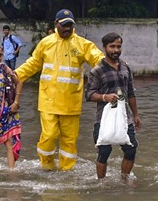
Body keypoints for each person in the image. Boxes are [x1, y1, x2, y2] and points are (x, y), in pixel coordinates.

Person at [15, 9, 104, 171]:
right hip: (48, 100)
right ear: (56, 24)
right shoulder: (46, 43)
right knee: (49, 136)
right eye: (64, 25)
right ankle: (47, 166)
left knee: (69, 140)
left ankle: (67, 171)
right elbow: (33, 64)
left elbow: (98, 59)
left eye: (70, 25)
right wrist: (15, 76)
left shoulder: (83, 45)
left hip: (71, 103)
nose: (67, 28)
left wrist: (112, 67)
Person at [85, 32, 142, 180]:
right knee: (104, 152)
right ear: (104, 48)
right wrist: (105, 97)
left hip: (125, 117)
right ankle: (101, 183)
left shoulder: (125, 68)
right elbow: (89, 94)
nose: (116, 50)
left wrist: (135, 115)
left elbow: (130, 92)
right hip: (104, 117)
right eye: (112, 47)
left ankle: (124, 179)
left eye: (118, 46)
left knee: (131, 149)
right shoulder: (97, 71)